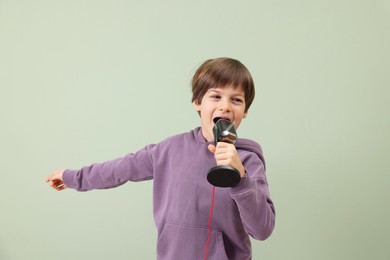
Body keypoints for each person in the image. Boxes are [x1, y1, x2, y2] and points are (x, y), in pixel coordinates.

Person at [45, 57, 276, 260]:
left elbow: (262, 229)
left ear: (245, 110)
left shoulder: (248, 160)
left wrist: (241, 178)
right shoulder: (169, 150)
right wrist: (72, 177)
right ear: (197, 102)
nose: (225, 106)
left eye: (236, 100)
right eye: (216, 96)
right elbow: (120, 169)